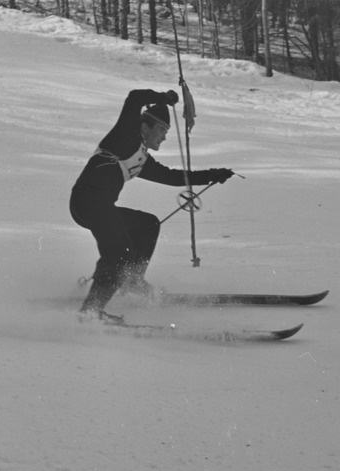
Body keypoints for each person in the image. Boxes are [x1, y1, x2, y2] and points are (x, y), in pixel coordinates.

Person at [70, 88, 233, 320]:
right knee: (118, 255)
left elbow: (173, 177)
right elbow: (135, 97)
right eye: (161, 130)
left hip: (101, 207)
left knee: (147, 223)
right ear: (145, 127)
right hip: (87, 203)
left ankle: (131, 279)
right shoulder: (124, 137)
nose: (164, 137)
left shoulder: (141, 158)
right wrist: (162, 98)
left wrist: (212, 175)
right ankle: (90, 312)